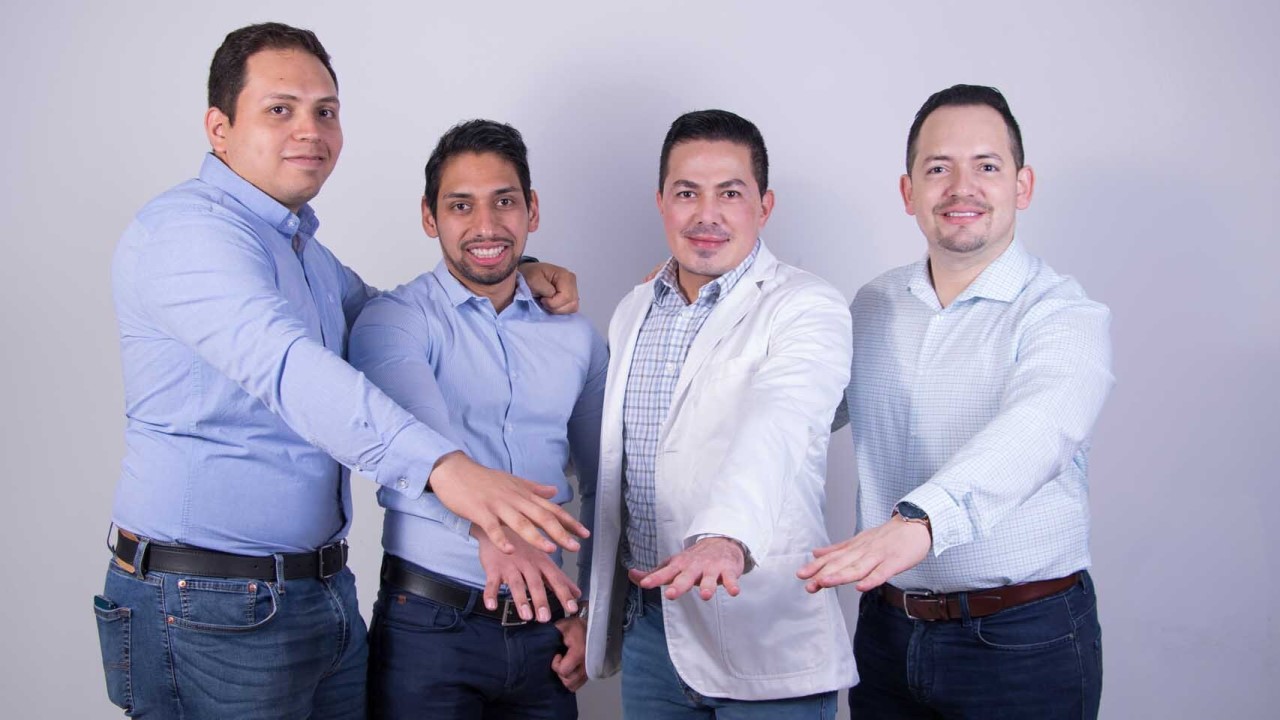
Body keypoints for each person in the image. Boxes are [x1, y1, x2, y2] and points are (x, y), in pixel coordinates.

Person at [95, 23, 586, 719]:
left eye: (325, 110)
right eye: (280, 109)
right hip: (204, 602)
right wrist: (449, 472)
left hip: (317, 594)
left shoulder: (304, 255)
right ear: (219, 128)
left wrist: (507, 270)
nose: (310, 130)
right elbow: (290, 370)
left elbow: (397, 317)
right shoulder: (187, 233)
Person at [798, 84, 1114, 719]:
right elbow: (797, 408)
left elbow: (1040, 428)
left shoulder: (1064, 313)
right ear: (908, 191)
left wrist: (921, 522)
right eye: (938, 168)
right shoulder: (872, 305)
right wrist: (712, 310)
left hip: (1023, 641)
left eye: (986, 166)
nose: (961, 188)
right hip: (886, 634)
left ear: (1022, 185)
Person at [584, 109, 855, 719]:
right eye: (687, 193)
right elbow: (615, 464)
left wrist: (724, 535)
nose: (706, 215)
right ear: (661, 202)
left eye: (730, 194)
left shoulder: (806, 306)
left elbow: (782, 421)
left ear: (764, 205)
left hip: (762, 628)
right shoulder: (633, 309)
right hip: (651, 632)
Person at [347, 119, 605, 719]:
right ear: (429, 217)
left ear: (532, 209)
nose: (486, 226)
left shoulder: (577, 337)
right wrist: (493, 532)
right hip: (430, 630)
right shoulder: (395, 322)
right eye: (461, 205)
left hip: (546, 631)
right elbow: (424, 451)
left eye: (504, 201)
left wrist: (591, 611)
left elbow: (606, 483)